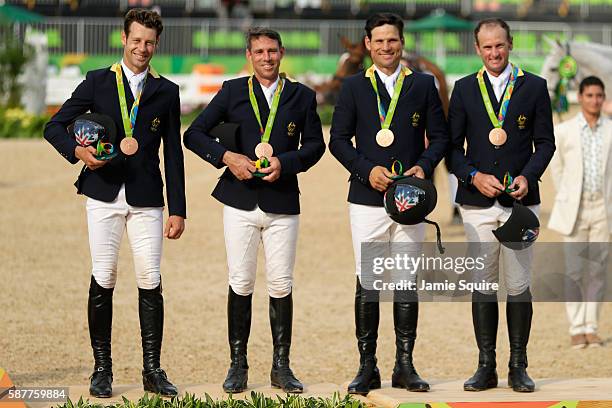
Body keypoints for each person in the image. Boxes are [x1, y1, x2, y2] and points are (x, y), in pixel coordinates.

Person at [43, 9, 185, 398]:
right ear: (124, 39)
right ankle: (102, 369)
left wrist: (178, 209)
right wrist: (78, 153)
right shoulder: (97, 81)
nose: (142, 48)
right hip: (103, 193)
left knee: (149, 278)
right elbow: (53, 125)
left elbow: (173, 153)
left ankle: (152, 370)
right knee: (104, 275)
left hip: (147, 198)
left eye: (150, 42)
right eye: (136, 40)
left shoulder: (166, 91)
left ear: (157, 44)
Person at [183, 28, 325, 394]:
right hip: (240, 200)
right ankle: (238, 364)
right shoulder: (232, 91)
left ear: (282, 52)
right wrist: (227, 157)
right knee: (241, 281)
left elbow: (315, 146)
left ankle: (281, 366)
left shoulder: (301, 96)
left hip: (282, 201)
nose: (266, 57)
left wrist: (285, 161)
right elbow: (194, 134)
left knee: (281, 283)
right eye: (259, 51)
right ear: (249, 55)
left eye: (272, 51)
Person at [329, 13, 449, 395]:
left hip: (410, 197)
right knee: (368, 281)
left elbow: (441, 137)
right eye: (379, 41)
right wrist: (367, 171)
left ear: (401, 42)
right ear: (367, 45)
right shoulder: (352, 87)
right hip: (367, 197)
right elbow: (339, 141)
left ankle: (405, 365)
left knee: (405, 280)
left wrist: (424, 166)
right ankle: (367, 367)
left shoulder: (423, 85)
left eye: (392, 40)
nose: (386, 47)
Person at [447, 18, 555, 393]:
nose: (494, 53)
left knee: (519, 284)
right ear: (477, 49)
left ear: (510, 44)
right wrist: (472, 176)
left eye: (500, 45)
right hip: (477, 204)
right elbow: (451, 150)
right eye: (487, 47)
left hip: (521, 203)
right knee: (483, 284)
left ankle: (519, 366)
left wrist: (529, 176)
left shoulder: (534, 87)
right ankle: (486, 366)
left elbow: (545, 143)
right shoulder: (462, 89)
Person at [548, 76, 610, 349]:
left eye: (599, 95)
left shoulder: (611, 129)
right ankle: (576, 327)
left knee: (597, 271)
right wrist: (567, 197)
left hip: (603, 210)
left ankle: (591, 327)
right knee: (574, 270)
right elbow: (557, 168)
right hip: (574, 207)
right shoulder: (564, 131)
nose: (594, 100)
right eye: (589, 95)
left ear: (604, 98)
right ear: (580, 96)